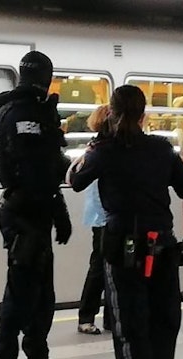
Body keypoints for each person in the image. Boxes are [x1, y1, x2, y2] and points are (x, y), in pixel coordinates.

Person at [70, 84, 183, 359]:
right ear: (145, 116)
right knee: (163, 325)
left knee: (130, 330)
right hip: (164, 248)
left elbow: (74, 180)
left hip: (123, 250)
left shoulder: (105, 151)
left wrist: (88, 150)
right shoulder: (162, 149)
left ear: (111, 113)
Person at [0, 51, 72, 359]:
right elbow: (34, 165)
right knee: (19, 297)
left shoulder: (37, 111)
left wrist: (57, 207)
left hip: (39, 210)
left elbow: (49, 164)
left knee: (42, 297)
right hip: (23, 213)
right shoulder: (19, 113)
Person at [70, 105, 113, 335]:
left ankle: (107, 316)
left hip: (100, 214)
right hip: (103, 214)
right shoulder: (103, 148)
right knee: (100, 266)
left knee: (103, 265)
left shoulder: (95, 147)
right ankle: (87, 316)